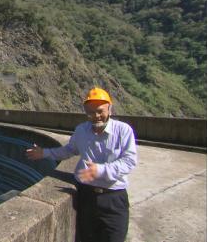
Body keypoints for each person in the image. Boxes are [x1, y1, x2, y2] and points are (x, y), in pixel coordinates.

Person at [25, 87, 137, 242]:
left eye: (100, 111)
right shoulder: (81, 130)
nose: (96, 116)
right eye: (90, 112)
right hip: (86, 196)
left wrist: (101, 170)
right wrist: (44, 153)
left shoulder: (123, 131)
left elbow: (129, 161)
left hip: (113, 198)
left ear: (110, 109)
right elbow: (69, 150)